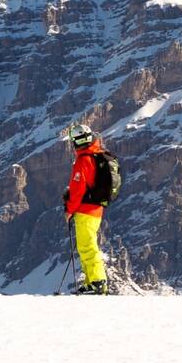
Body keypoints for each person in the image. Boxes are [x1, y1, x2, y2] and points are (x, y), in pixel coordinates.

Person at [63, 124, 111, 295]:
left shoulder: (84, 160)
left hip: (85, 210)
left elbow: (77, 190)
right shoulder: (96, 155)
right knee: (86, 245)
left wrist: (69, 209)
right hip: (96, 209)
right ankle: (92, 282)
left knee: (87, 246)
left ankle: (97, 282)